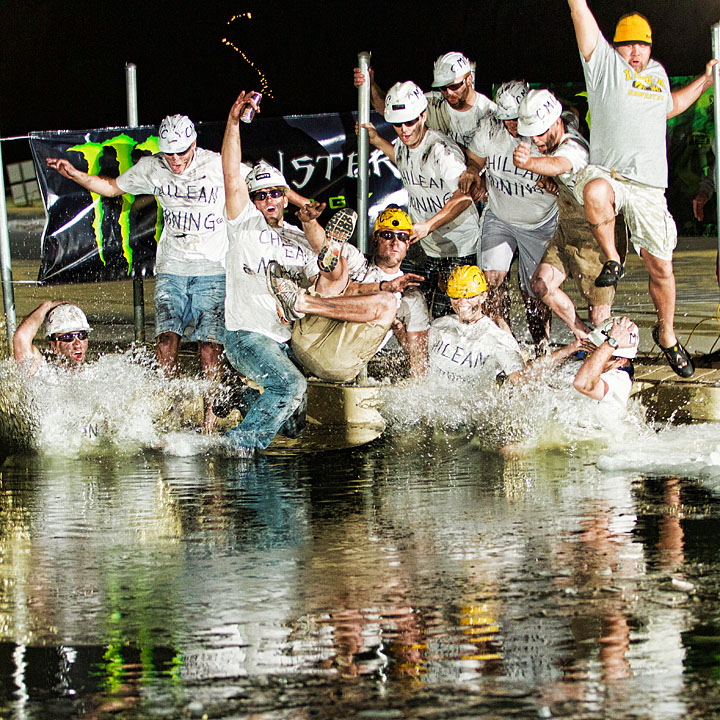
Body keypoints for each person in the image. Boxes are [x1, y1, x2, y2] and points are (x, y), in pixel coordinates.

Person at [567, 1, 717, 377]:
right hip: (611, 173)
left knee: (662, 269)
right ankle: (613, 258)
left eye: (642, 44)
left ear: (650, 47)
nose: (635, 51)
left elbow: (670, 107)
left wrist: (706, 80)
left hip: (649, 186)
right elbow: (579, 12)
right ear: (614, 46)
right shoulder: (602, 64)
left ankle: (666, 334)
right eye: (627, 44)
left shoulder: (657, 74)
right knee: (595, 191)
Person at [221, 91, 362, 456]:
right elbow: (231, 173)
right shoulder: (243, 223)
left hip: (286, 341)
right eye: (260, 195)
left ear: (285, 197)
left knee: (295, 424)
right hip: (247, 337)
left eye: (273, 193)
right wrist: (234, 122)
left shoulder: (299, 237)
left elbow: (330, 269)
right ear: (253, 200)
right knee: (290, 388)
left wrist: (315, 229)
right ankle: (235, 450)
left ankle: (243, 398)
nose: (267, 200)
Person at [266, 206, 430, 382]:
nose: (395, 241)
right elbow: (323, 246)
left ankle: (300, 303)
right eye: (388, 235)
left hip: (337, 360)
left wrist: (398, 330)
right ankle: (299, 303)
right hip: (307, 338)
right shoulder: (359, 262)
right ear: (376, 238)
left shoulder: (411, 297)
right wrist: (309, 223)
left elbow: (417, 355)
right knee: (338, 261)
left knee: (387, 302)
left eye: (402, 236)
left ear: (408, 244)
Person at [513, 89, 627, 339]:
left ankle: (605, 365)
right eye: (531, 136)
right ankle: (583, 336)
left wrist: (529, 163)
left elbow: (559, 164)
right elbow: (572, 114)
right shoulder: (564, 122)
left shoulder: (573, 148)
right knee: (540, 285)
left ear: (556, 123)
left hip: (594, 234)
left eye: (541, 133)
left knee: (599, 313)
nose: (536, 142)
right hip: (566, 230)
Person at [362, 81, 479, 317]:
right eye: (397, 124)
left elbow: (466, 196)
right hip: (428, 245)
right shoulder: (404, 145)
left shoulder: (441, 151)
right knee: (415, 310)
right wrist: (376, 140)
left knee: (448, 315)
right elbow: (404, 161)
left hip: (458, 245)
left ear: (423, 116)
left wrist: (428, 225)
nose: (404, 129)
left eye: (410, 122)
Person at [463, 81, 559, 346]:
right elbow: (474, 157)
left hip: (538, 222)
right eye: (506, 119)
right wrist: (474, 171)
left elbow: (567, 167)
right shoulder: (491, 128)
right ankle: (506, 347)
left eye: (516, 118)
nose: (512, 125)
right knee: (491, 283)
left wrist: (554, 182)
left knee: (534, 291)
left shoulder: (541, 132)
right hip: (500, 216)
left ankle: (542, 348)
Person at [354, 51, 496, 154]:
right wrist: (370, 86)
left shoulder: (490, 113)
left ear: (469, 79)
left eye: (454, 86)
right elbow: (389, 108)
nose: (449, 93)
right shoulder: (433, 103)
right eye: (443, 88)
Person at [13, 301, 90, 375]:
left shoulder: (95, 372)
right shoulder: (44, 374)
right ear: (53, 346)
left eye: (82, 335)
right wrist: (47, 306)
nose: (77, 344)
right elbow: (21, 337)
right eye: (68, 337)